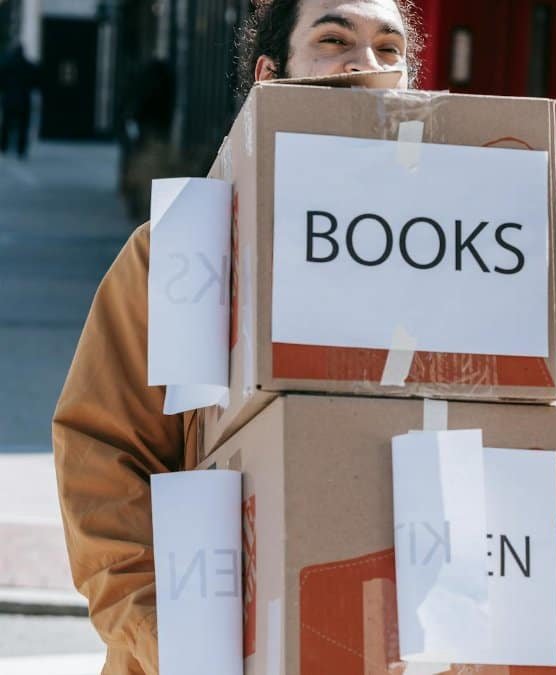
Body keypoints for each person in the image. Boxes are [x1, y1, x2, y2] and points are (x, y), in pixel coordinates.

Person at [52, 1, 422, 673]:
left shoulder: (455, 265)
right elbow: (102, 462)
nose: (365, 65)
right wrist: (173, 643)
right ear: (270, 77)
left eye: (390, 50)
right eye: (334, 40)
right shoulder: (183, 255)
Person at [0, 43, 39, 159]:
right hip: (24, 99)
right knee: (23, 126)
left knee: (6, 124)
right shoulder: (29, 66)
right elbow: (35, 83)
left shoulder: (6, 65)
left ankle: (4, 146)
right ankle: (21, 149)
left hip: (9, 98)